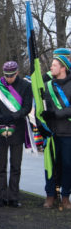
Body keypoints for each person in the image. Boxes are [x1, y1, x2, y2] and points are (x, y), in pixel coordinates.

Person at [0, 61, 32, 208]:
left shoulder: (26, 86)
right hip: (0, 128)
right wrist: (0, 118)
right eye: (6, 76)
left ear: (17, 73)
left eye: (11, 76)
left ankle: (13, 197)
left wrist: (14, 116)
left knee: (16, 165)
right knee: (1, 165)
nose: (8, 78)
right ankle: (1, 196)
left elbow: (27, 107)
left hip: (17, 128)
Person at [42, 53, 71, 210]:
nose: (51, 67)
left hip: (68, 133)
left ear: (63, 68)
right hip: (52, 133)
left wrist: (56, 114)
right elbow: (43, 108)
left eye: (54, 65)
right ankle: (50, 195)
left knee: (67, 165)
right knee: (50, 165)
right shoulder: (48, 86)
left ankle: (65, 197)